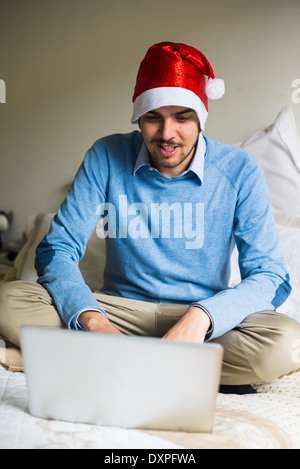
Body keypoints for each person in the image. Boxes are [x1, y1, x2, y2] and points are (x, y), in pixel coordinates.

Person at [0, 42, 299, 393]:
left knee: (287, 342)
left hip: (199, 322)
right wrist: (92, 321)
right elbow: (56, 249)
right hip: (117, 313)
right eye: (153, 117)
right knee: (8, 300)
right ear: (138, 117)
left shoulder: (240, 170)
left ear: (201, 116)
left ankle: (99, 360)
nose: (167, 133)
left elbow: (269, 276)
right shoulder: (107, 155)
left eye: (182, 117)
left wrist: (201, 317)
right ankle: (170, 367)